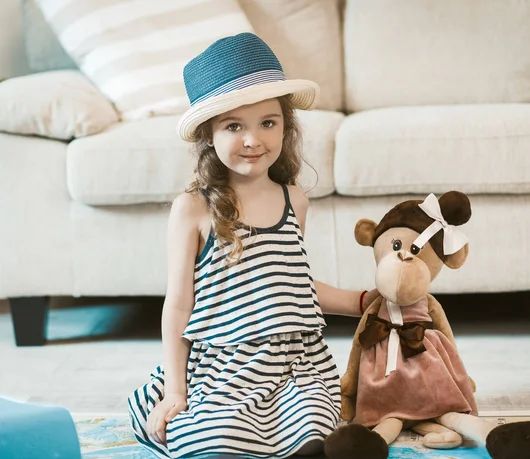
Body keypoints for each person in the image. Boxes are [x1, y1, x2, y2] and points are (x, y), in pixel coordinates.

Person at [128, 32, 377, 459]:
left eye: (268, 122)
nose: (253, 139)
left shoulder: (293, 199)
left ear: (286, 125)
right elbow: (178, 306)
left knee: (316, 422)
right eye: (233, 126)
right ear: (208, 134)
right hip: (222, 367)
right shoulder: (193, 209)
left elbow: (291, 285)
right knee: (214, 437)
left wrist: (362, 300)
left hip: (292, 366)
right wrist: (175, 388)